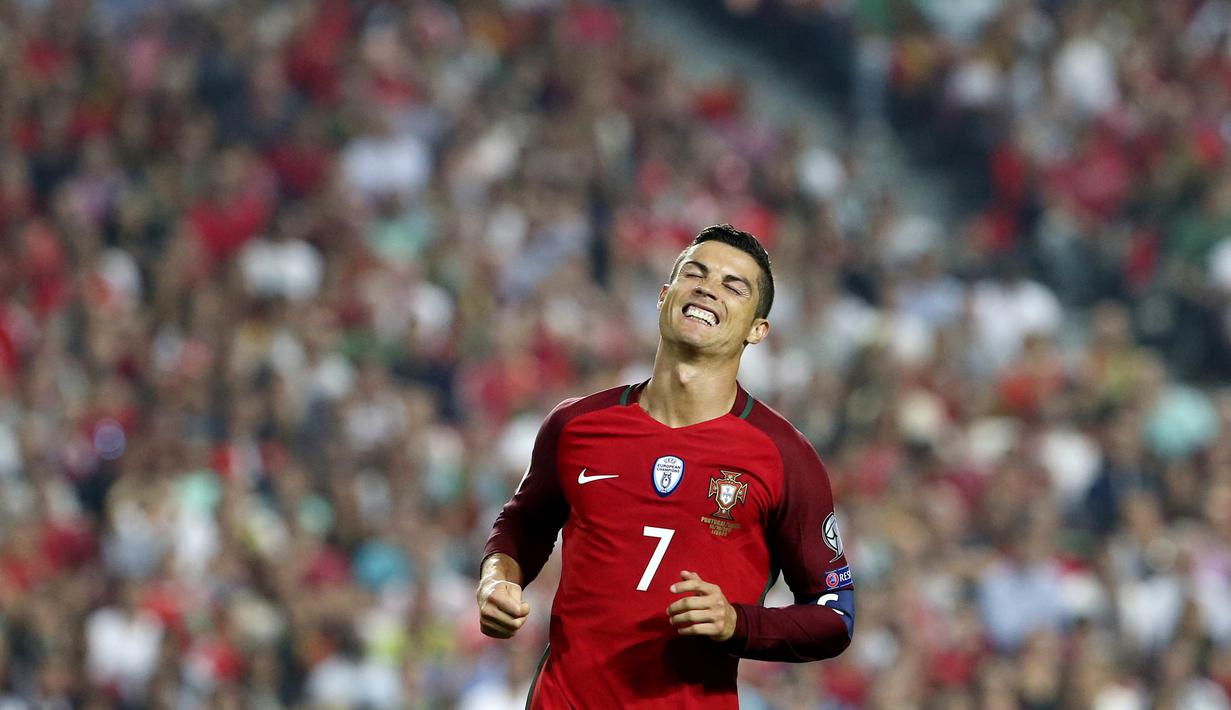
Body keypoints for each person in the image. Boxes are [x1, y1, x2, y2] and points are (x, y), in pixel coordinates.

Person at [477, 224, 854, 708]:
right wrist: (498, 579)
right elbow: (523, 523)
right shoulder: (576, 425)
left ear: (758, 329)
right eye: (695, 274)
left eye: (732, 286)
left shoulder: (785, 456)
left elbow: (834, 616)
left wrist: (739, 623)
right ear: (663, 296)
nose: (707, 288)